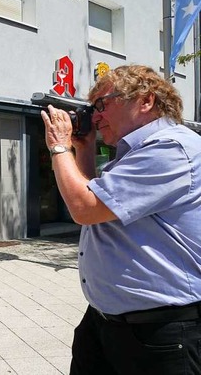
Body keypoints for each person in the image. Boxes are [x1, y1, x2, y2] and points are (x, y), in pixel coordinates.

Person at [41, 65, 201, 375]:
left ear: (145, 100)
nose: (95, 116)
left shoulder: (170, 149)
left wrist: (58, 146)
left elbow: (84, 208)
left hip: (159, 332)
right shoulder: (134, 153)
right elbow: (97, 214)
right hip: (107, 325)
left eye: (101, 103)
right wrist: (82, 151)